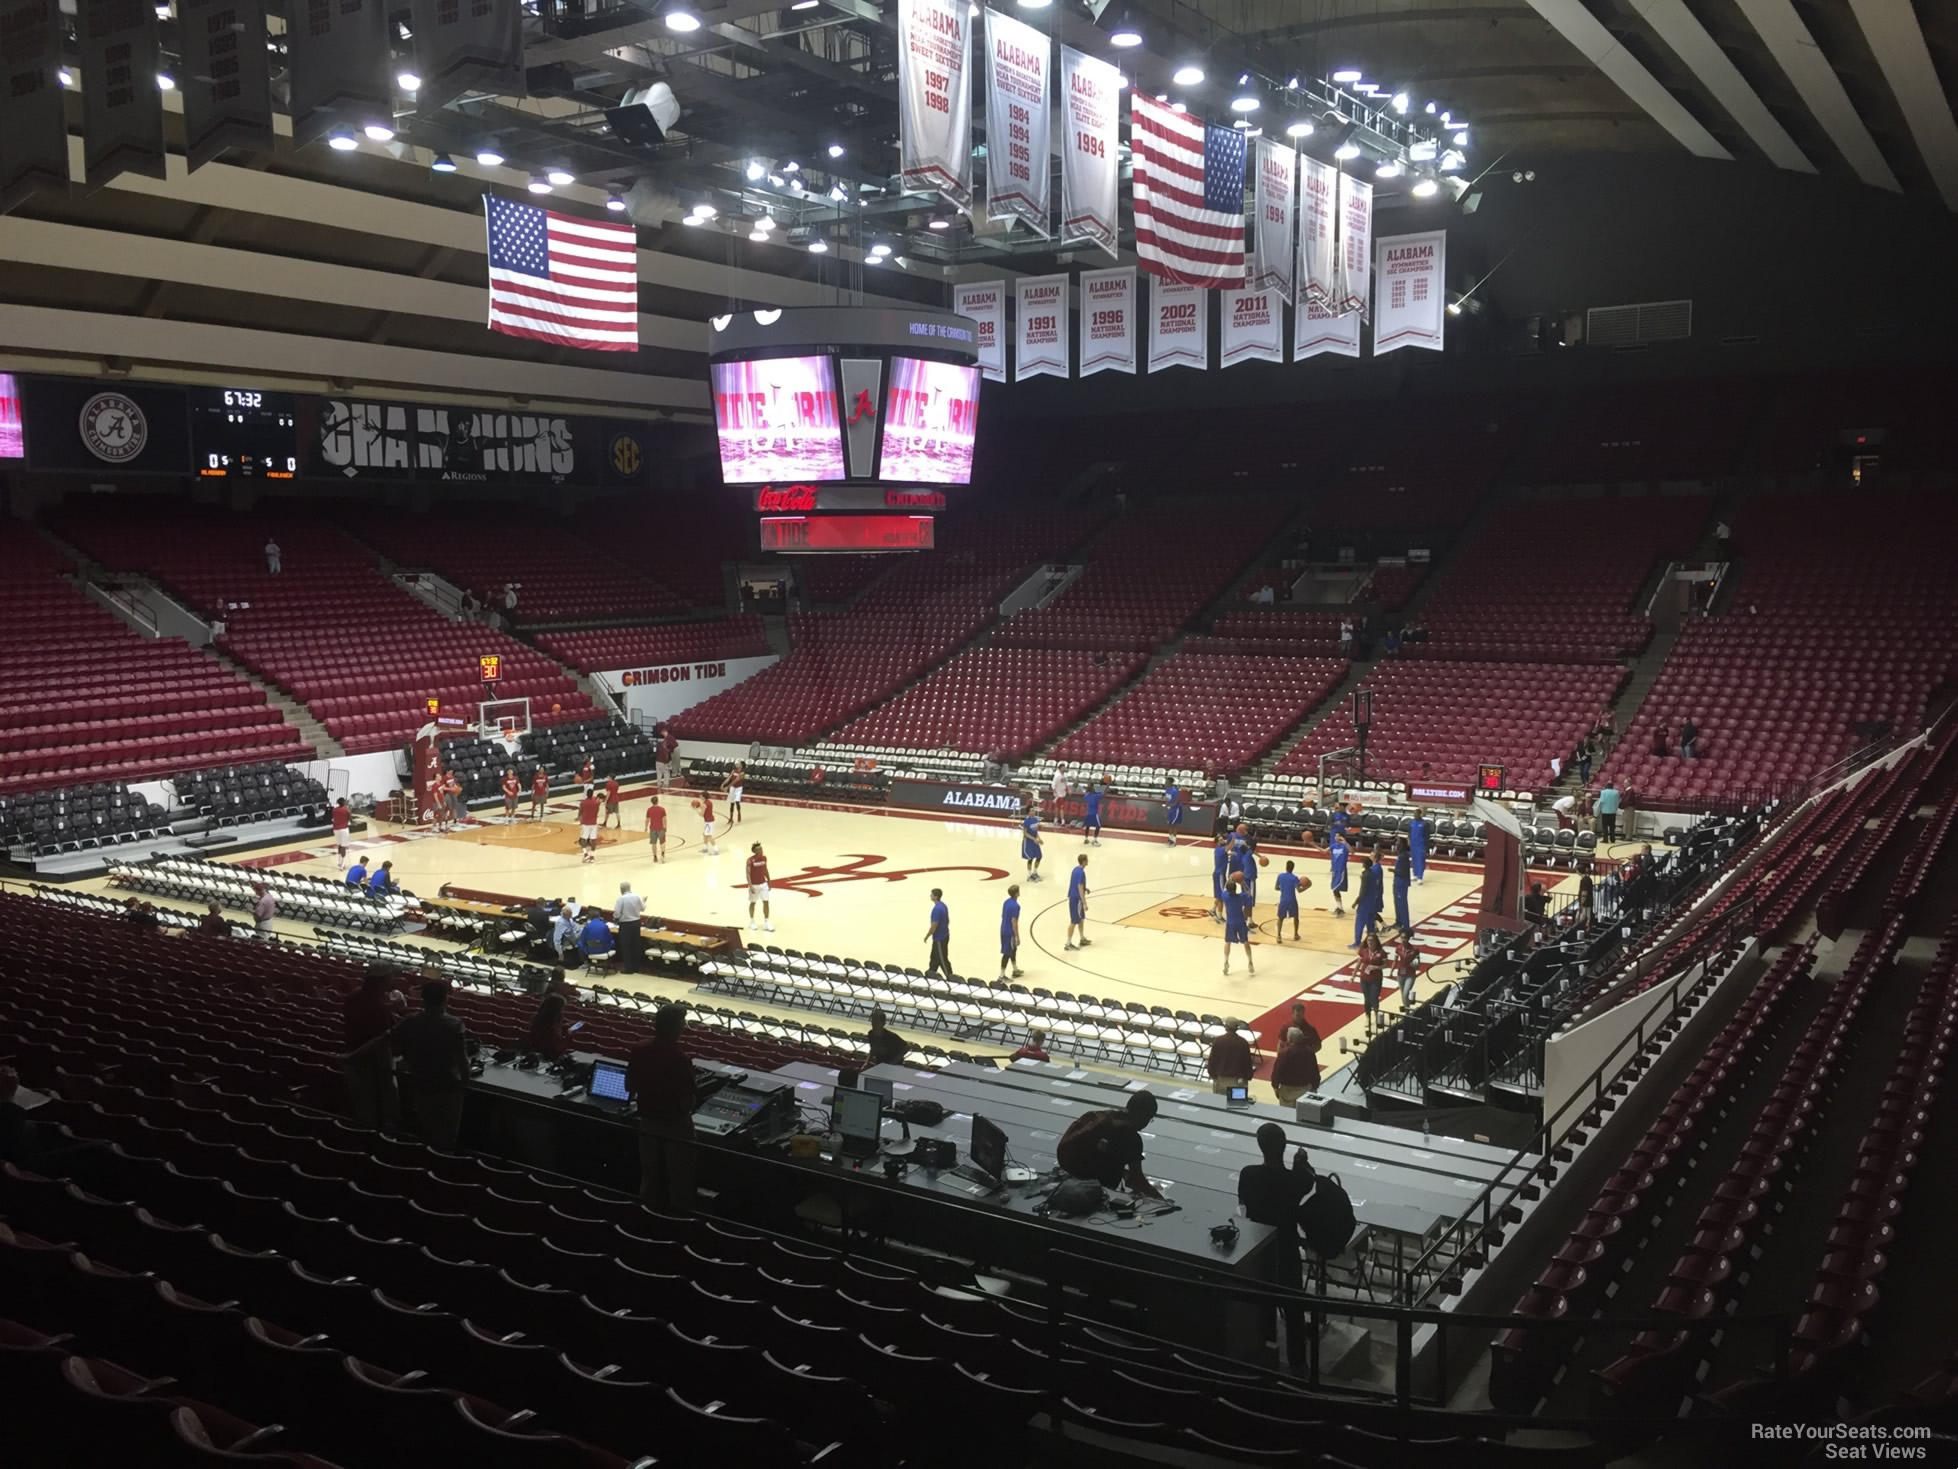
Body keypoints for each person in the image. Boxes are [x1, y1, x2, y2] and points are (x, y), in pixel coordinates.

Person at [1237, 1124, 1315, 1360]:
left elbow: (1244, 1201)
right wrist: (1301, 1164)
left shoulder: (1248, 1175)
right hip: (1287, 1249)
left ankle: (1267, 1356)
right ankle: (1298, 1363)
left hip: (1260, 1248)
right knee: (1293, 1309)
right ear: (1284, 1146)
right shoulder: (1296, 1181)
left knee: (1264, 1306)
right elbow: (1308, 1181)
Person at [626, 1003, 696, 1213]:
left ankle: (646, 1219)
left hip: (647, 1122)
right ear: (676, 1028)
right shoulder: (680, 1058)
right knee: (680, 1180)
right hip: (675, 1125)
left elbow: (629, 1086)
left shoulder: (639, 1049)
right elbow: (687, 1100)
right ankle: (678, 1224)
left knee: (650, 1177)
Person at [392, 981, 468, 1149]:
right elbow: (462, 1061)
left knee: (427, 1132)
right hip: (447, 1087)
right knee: (447, 1138)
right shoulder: (455, 1024)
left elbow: (388, 1041)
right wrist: (465, 1083)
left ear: (423, 999)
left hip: (420, 1084)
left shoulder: (410, 1021)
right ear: (445, 999)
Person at [1056, 1091, 1163, 1198]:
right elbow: (1138, 1179)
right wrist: (1161, 1200)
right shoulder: (1131, 1136)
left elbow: (1104, 1155)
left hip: (1069, 1168)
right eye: (1150, 1119)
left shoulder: (1105, 1116)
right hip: (1092, 1183)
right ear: (1143, 1115)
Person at [340, 967, 401, 1131]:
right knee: (382, 1102)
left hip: (355, 1053)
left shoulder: (354, 996)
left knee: (365, 1105)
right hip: (372, 1059)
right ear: (382, 982)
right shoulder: (377, 1005)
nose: (392, 981)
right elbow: (381, 1037)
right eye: (390, 978)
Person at [1271, 1027, 1323, 1105]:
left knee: (1286, 1115)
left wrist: (1275, 1087)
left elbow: (1277, 1071)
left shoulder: (1284, 1053)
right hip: (1305, 1091)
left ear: (1289, 1039)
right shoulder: (1309, 1052)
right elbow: (1315, 1071)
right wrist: (1315, 1087)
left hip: (1287, 1092)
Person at [1207, 1020, 1254, 1095]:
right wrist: (1248, 1076)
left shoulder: (1219, 1040)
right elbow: (1247, 1062)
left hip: (1221, 1079)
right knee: (1236, 1105)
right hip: (1238, 1080)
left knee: (1219, 1104)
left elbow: (1212, 1059)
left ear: (1226, 1027)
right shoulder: (1243, 1042)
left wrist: (1212, 1074)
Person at [1222, 873, 1254, 976]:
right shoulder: (1241, 897)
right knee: (1245, 942)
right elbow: (1249, 892)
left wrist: (1230, 879)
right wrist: (1242, 882)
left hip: (1230, 923)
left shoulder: (1225, 897)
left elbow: (1224, 889)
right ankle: (1250, 962)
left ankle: (1226, 961)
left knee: (1227, 942)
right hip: (1240, 922)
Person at [525, 992, 574, 1058]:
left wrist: (564, 1027)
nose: (562, 1012)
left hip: (537, 1053)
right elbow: (556, 1050)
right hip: (549, 1057)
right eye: (562, 1009)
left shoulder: (538, 1019)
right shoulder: (551, 1028)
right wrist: (569, 1036)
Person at [1350, 855, 1383, 949]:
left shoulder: (1365, 875)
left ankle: (1357, 943)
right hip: (1372, 901)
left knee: (1359, 923)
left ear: (1364, 865)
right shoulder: (1373, 874)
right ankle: (1373, 942)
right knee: (1370, 924)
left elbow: (1363, 890)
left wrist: (1356, 902)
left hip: (1365, 902)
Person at [1357, 930, 1387, 1033]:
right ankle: (1367, 1016)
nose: (1370, 942)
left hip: (1376, 979)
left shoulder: (1381, 952)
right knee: (1366, 998)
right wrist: (1353, 974)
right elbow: (1359, 962)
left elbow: (1385, 965)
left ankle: (1376, 1013)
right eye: (1368, 940)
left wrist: (1376, 967)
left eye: (1372, 940)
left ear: (1375, 941)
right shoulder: (1363, 951)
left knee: (1374, 997)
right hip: (1364, 978)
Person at [615, 882, 646, 970]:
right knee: (635, 945)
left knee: (626, 946)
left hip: (625, 925)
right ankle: (636, 967)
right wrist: (643, 901)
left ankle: (628, 968)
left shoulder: (621, 899)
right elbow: (643, 908)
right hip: (636, 923)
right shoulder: (637, 896)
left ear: (621, 889)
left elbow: (617, 913)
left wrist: (617, 918)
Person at [1274, 859, 1305, 942]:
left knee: (1280, 918)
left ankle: (1278, 936)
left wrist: (1283, 889)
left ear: (1286, 867)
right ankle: (1295, 934)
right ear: (1293, 868)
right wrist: (1307, 887)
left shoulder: (1280, 876)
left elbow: (1276, 887)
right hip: (1292, 900)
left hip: (1283, 900)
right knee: (1296, 917)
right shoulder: (1294, 878)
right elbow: (1299, 890)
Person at [1065, 854, 1092, 951]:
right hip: (1077, 899)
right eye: (1087, 860)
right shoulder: (1081, 873)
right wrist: (1084, 903)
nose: (1088, 861)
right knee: (1074, 921)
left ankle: (1082, 938)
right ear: (1084, 861)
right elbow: (1079, 887)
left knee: (1081, 919)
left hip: (1074, 896)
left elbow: (1078, 884)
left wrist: (1086, 888)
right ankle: (1068, 943)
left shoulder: (1075, 869)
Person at [923, 888, 952, 978]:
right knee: (934, 957)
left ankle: (950, 976)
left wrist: (927, 936)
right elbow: (948, 920)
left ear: (936, 897)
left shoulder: (936, 910)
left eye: (932, 895)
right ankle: (931, 972)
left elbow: (934, 926)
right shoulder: (943, 906)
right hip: (944, 935)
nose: (930, 896)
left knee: (942, 958)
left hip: (940, 938)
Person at [746, 843, 774, 933]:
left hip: (763, 884)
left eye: (762, 849)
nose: (761, 851)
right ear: (755, 851)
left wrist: (769, 881)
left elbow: (765, 869)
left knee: (766, 902)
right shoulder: (750, 860)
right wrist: (750, 886)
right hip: (754, 885)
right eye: (759, 849)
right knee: (753, 903)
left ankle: (766, 922)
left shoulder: (764, 858)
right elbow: (748, 874)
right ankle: (752, 921)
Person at [999, 883, 1024, 980]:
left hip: (1003, 929)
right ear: (1016, 894)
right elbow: (1014, 922)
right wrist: (1017, 936)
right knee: (1007, 953)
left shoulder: (1006, 902)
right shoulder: (1016, 906)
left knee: (1013, 949)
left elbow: (1003, 915)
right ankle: (1001, 975)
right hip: (1009, 932)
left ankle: (1015, 969)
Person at [1394, 931, 1420, 1012]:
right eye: (1402, 938)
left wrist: (1415, 964)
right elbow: (1395, 961)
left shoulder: (1415, 949)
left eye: (1405, 938)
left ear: (1408, 938)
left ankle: (1407, 1009)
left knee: (1406, 993)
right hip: (1400, 974)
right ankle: (1407, 1011)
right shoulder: (1398, 948)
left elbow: (1418, 964)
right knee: (1403, 994)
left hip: (1410, 974)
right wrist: (1391, 971)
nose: (1403, 939)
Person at [1326, 830, 1350, 918]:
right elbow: (1324, 851)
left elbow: (1353, 851)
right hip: (1335, 871)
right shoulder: (1333, 846)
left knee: (1335, 889)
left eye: (1338, 836)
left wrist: (1345, 842)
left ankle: (1340, 909)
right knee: (1334, 889)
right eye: (1335, 836)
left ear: (1341, 837)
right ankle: (1340, 908)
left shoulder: (1344, 846)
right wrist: (1313, 844)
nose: (1336, 837)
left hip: (1341, 870)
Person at [1209, 833, 1232, 923]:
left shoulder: (1218, 850)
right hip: (1220, 875)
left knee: (1219, 894)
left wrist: (1230, 855)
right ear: (1217, 843)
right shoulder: (1221, 849)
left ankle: (1213, 909)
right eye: (1221, 840)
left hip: (1218, 874)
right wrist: (1235, 837)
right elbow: (1230, 846)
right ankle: (1219, 916)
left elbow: (1226, 853)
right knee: (1222, 896)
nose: (1223, 841)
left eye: (1223, 839)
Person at [1391, 845, 1413, 934]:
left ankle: (1406, 926)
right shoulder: (1400, 855)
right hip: (1397, 882)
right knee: (1397, 903)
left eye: (1398, 843)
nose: (1396, 845)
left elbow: (1403, 872)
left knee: (1402, 905)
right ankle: (1399, 922)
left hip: (1401, 883)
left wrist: (1394, 871)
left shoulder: (1403, 857)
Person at [577, 786, 601, 864]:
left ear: (586, 795)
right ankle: (592, 857)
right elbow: (597, 812)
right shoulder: (596, 803)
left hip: (585, 823)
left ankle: (585, 854)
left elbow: (580, 813)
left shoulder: (583, 803)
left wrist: (579, 820)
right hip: (593, 823)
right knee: (593, 840)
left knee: (582, 840)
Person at [1408, 808, 1429, 885]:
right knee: (1414, 859)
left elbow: (1427, 836)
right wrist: (1409, 841)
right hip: (1413, 844)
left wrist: (1426, 846)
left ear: (1420, 814)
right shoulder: (1411, 823)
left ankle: (1420, 877)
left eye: (1416, 814)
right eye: (1414, 814)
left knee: (1420, 860)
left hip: (1421, 845)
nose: (1415, 815)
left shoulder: (1424, 823)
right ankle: (1414, 874)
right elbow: (1409, 833)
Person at [1082, 774, 1104, 846]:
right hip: (1094, 814)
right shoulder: (1096, 796)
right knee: (1098, 827)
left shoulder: (1086, 796)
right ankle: (1094, 840)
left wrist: (1089, 784)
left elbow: (1087, 791)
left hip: (1088, 814)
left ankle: (1086, 839)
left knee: (1087, 826)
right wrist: (1108, 785)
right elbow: (1105, 793)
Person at [331, 797, 353, 868]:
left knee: (339, 845)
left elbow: (333, 818)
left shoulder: (334, 810)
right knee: (343, 846)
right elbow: (350, 819)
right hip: (343, 829)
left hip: (336, 829)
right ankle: (343, 864)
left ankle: (339, 862)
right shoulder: (346, 809)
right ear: (343, 802)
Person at [645, 794, 666, 861]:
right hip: (660, 828)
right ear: (657, 801)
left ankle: (655, 857)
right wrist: (665, 827)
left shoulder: (649, 810)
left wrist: (646, 827)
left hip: (652, 828)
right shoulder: (662, 809)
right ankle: (662, 854)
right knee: (662, 842)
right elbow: (664, 819)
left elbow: (647, 819)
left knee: (653, 843)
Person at [1164, 779, 1183, 847]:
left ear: (1170, 783)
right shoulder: (1167, 789)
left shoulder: (1174, 791)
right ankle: (1170, 839)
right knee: (1169, 824)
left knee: (1174, 825)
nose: (1165, 783)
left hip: (1176, 809)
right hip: (1170, 809)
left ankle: (1174, 841)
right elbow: (1166, 799)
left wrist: (1170, 806)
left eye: (1166, 782)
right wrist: (1166, 808)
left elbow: (1176, 801)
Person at [699, 790, 719, 856]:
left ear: (703, 797)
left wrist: (695, 809)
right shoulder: (709, 802)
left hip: (708, 822)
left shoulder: (704, 804)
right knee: (705, 834)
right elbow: (705, 808)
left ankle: (716, 850)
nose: (700, 796)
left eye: (701, 795)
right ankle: (705, 848)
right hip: (710, 820)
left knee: (709, 836)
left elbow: (701, 814)